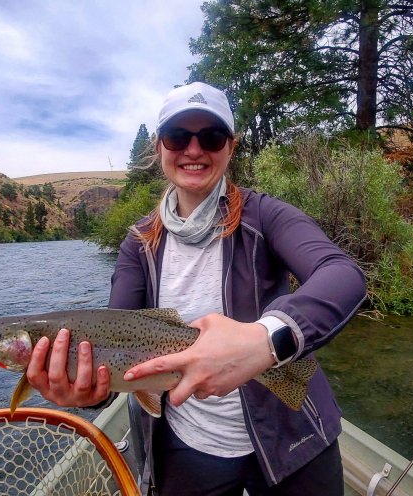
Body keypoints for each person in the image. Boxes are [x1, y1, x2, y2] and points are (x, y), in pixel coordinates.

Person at [26, 82, 366, 495]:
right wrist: (89, 393)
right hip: (188, 443)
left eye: (211, 137)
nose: (193, 149)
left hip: (289, 435)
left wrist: (266, 340)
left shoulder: (265, 216)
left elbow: (342, 274)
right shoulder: (138, 244)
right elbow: (115, 341)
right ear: (159, 147)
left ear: (230, 147)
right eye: (177, 136)